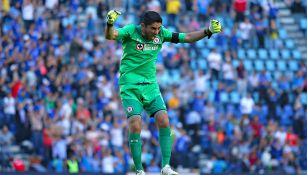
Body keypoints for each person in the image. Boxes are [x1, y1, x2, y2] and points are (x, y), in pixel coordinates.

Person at [105, 10, 222, 175]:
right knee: (136, 124)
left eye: (159, 28)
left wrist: (208, 31)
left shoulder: (161, 34)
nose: (157, 32)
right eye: (153, 28)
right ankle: (139, 170)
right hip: (130, 86)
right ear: (143, 26)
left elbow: (186, 38)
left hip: (150, 86)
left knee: (164, 120)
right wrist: (109, 24)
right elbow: (112, 35)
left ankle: (166, 167)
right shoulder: (131, 30)